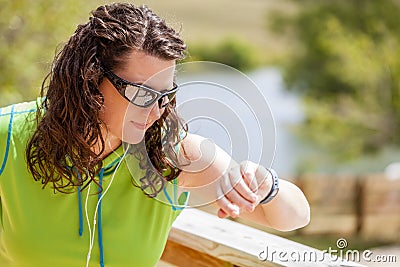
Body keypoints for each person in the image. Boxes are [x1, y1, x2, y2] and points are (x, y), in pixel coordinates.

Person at [0, 3, 310, 267]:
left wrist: (267, 185)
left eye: (165, 94)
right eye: (140, 93)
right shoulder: (9, 135)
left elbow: (293, 217)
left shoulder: (173, 156)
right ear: (89, 78)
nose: (156, 111)